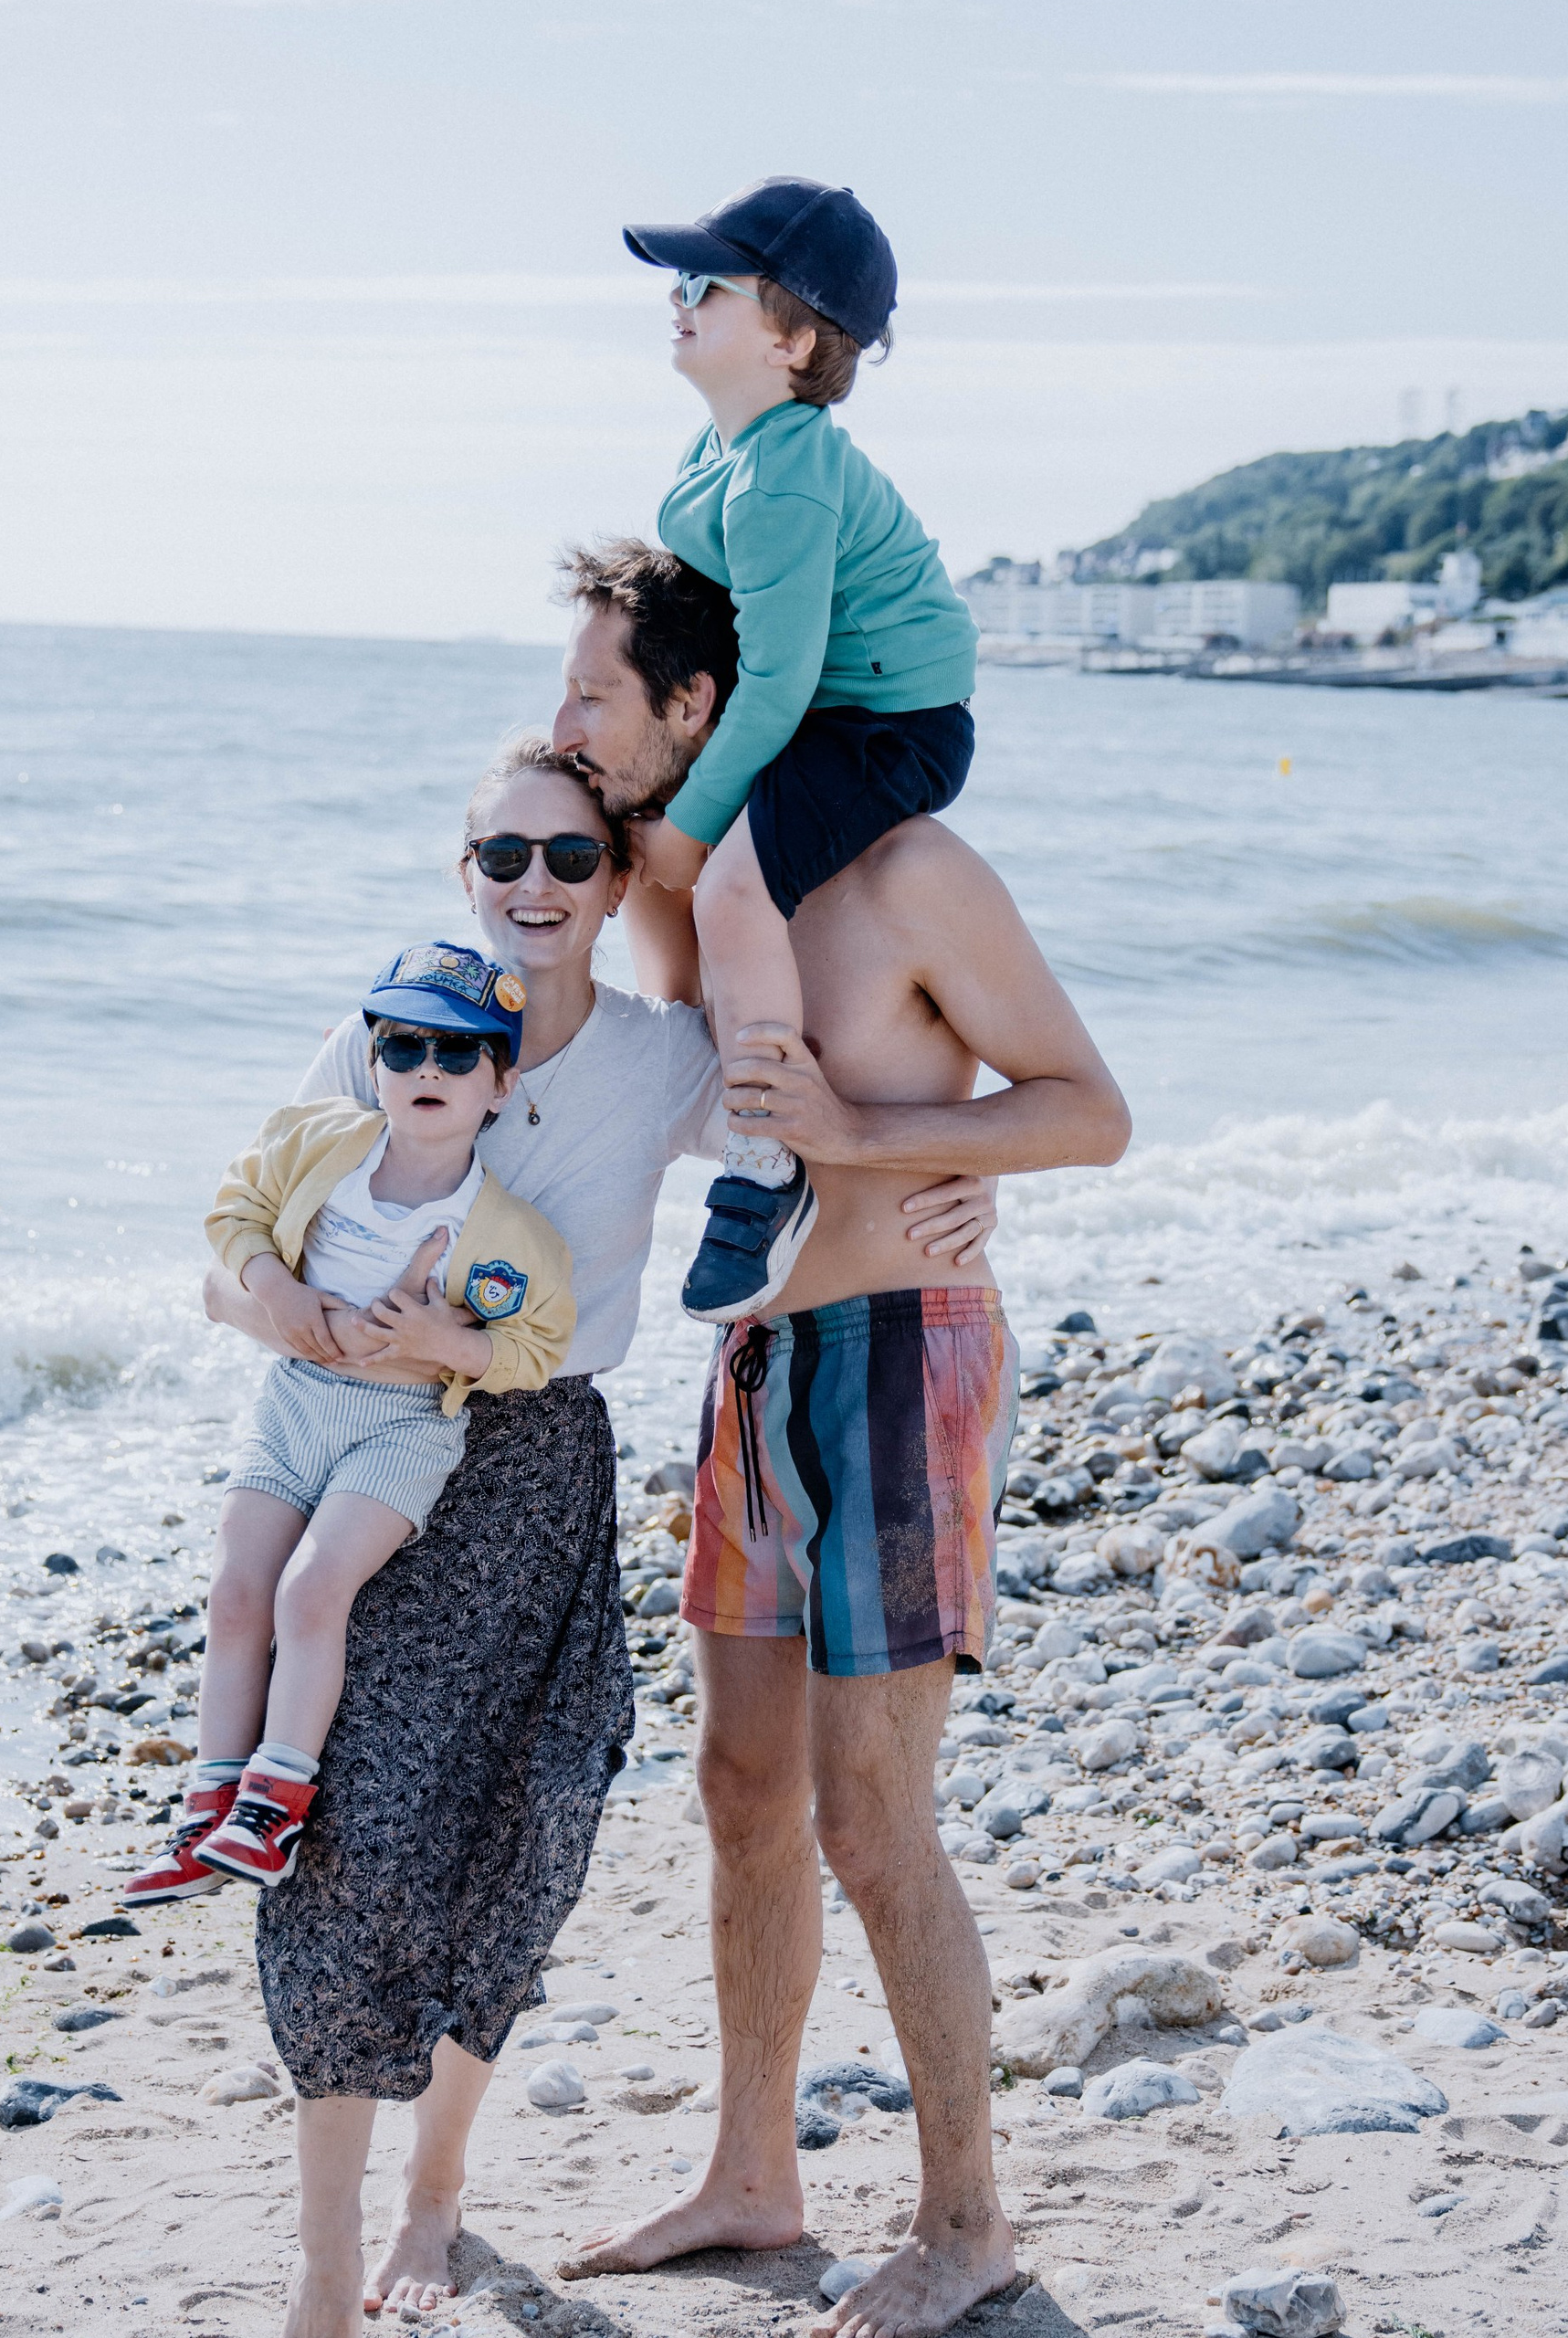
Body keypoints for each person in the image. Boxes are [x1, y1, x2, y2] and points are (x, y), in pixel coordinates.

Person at [197, 727, 999, 2338]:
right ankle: (323, 2269)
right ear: (465, 871)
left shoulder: (662, 1055)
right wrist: (282, 1306)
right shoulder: (381, 1036)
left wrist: (973, 1177)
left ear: (623, 877)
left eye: (573, 857)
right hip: (365, 1443)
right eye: (506, 856)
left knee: (525, 1833)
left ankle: (439, 2198)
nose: (538, 885)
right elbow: (235, 1248)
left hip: (541, 1468)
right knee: (347, 1838)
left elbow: (812, 1135)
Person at [553, 542, 1131, 2338]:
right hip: (755, 1375)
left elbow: (1090, 1110)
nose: (566, 718)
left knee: (871, 1818)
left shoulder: (910, 874)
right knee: (739, 1795)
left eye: (592, 692)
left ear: (693, 710)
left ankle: (966, 2224)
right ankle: (754, 2176)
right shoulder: (684, 889)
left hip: (901, 1359)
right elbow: (663, 1076)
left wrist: (880, 1137)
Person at [127, 942, 573, 1902]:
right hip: (292, 1401)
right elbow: (233, 1213)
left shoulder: (507, 1234)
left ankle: (273, 1805)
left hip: (404, 1423)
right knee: (236, 1593)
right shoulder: (316, 1145)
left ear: (500, 1085)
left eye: (459, 1054)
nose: (426, 1070)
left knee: (310, 1589)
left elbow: (535, 1349)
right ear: (370, 1063)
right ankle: (206, 1809)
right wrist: (275, 1291)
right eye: (403, 1046)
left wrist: (439, 1340)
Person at [616, 175, 982, 1325]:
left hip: (891, 724)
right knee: (706, 879)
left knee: (729, 895)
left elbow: (776, 686)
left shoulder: (785, 474)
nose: (677, 297)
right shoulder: (717, 448)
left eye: (707, 283)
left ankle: (764, 1164)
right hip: (826, 701)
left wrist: (683, 833)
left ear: (791, 336)